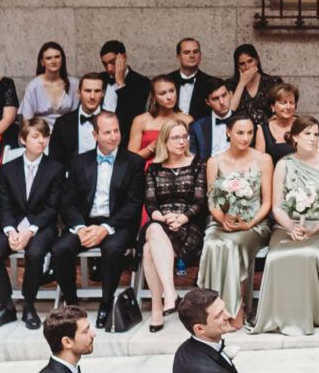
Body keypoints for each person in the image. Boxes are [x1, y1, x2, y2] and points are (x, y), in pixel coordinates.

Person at [46, 111, 146, 329]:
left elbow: (133, 204)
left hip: (117, 224)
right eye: (107, 132)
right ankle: (72, 304)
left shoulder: (134, 163)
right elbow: (68, 202)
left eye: (116, 131)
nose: (113, 136)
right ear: (95, 134)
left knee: (113, 250)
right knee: (60, 250)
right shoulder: (79, 162)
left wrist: (105, 228)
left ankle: (106, 304)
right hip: (84, 222)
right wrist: (80, 228)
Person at [254, 116, 319, 336]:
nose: (312, 138)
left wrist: (315, 228)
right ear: (295, 137)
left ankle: (309, 315)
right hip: (287, 225)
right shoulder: (283, 164)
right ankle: (278, 315)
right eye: (307, 133)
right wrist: (291, 227)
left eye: (316, 134)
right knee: (275, 256)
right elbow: (278, 207)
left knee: (309, 253)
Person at [0, 119, 69, 330]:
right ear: (23, 139)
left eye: (45, 136)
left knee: (35, 253)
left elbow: (53, 208)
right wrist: (10, 231)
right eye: (35, 136)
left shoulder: (55, 169)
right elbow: (3, 205)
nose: (41, 141)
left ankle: (29, 305)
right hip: (12, 225)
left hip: (42, 227)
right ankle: (6, 306)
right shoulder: (7, 170)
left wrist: (30, 231)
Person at [198, 115, 271, 318]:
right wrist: (222, 219)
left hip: (254, 224)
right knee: (213, 244)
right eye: (240, 133)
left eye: (250, 132)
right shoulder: (215, 162)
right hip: (222, 222)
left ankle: (237, 309)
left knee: (232, 245)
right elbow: (212, 201)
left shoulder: (263, 159)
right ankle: (212, 310)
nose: (245, 138)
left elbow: (267, 202)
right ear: (228, 132)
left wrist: (250, 223)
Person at [139, 116, 204, 330]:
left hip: (189, 224)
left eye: (184, 137)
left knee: (149, 249)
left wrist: (182, 218)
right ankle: (170, 293)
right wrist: (164, 218)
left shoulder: (198, 164)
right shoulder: (154, 169)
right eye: (175, 137)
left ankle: (159, 307)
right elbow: (150, 204)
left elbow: (200, 201)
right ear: (164, 141)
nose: (181, 142)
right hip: (160, 222)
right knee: (154, 230)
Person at [48, 74, 108, 164]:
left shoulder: (113, 121)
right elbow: (54, 160)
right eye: (88, 91)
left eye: (97, 91)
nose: (92, 96)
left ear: (103, 93)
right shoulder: (62, 123)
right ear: (78, 93)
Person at [127, 74, 184, 161]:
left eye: (172, 91)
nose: (169, 97)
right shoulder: (140, 121)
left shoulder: (186, 120)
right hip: (145, 171)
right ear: (154, 97)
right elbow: (130, 160)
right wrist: (152, 147)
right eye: (162, 93)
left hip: (177, 171)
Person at [166, 38, 223, 123]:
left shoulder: (213, 83)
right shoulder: (166, 81)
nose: (192, 56)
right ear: (178, 56)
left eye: (195, 52)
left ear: (200, 55)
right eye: (187, 52)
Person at [99, 39, 152, 126]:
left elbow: (132, 115)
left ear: (124, 57)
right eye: (105, 64)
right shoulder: (100, 78)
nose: (109, 68)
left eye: (112, 62)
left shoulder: (142, 82)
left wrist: (120, 83)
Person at [19, 41, 75, 121]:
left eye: (57, 57)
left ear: (62, 59)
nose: (53, 61)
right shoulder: (33, 86)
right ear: (42, 62)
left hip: (67, 132)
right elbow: (27, 121)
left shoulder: (74, 84)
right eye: (49, 58)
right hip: (40, 132)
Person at [191, 80, 241, 162]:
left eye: (224, 95)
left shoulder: (244, 122)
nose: (222, 102)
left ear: (230, 94)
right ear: (208, 102)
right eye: (215, 99)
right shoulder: (197, 127)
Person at [228, 44, 272, 124]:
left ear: (257, 60)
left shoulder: (272, 82)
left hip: (266, 131)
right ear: (237, 66)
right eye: (242, 63)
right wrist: (242, 83)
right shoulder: (231, 84)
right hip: (241, 131)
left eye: (250, 61)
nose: (247, 67)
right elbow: (230, 112)